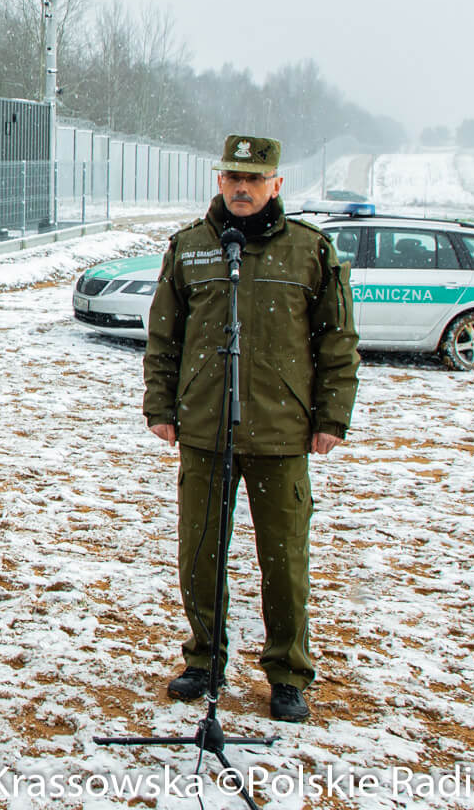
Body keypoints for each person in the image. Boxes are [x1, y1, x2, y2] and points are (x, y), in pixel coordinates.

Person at [143, 134, 359, 723]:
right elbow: (165, 336)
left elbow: (337, 341)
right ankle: (204, 660)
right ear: (220, 181)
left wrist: (331, 415)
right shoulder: (190, 248)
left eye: (254, 180)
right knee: (200, 555)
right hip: (207, 431)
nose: (242, 189)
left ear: (276, 185)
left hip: (283, 434)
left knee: (285, 560)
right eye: (232, 178)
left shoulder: (309, 251)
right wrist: (161, 406)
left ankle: (288, 673)